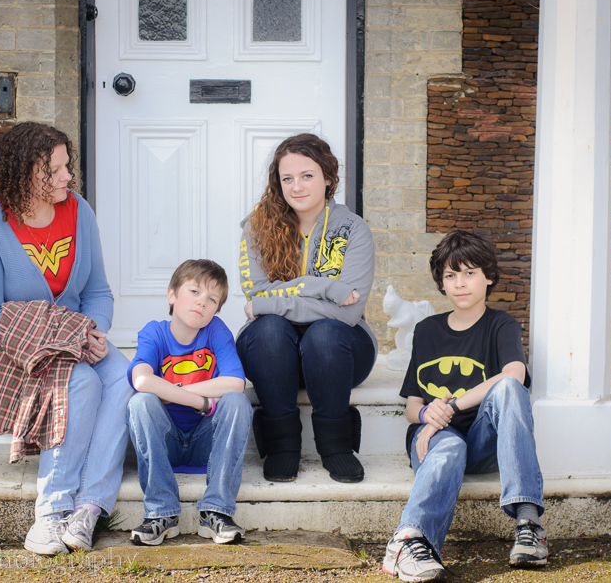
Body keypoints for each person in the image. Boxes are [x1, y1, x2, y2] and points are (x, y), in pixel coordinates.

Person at [0, 122, 134, 556]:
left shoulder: (79, 211)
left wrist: (93, 330)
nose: (66, 177)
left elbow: (98, 292)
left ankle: (89, 506)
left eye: (66, 166)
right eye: (54, 170)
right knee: (79, 382)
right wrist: (70, 338)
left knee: (123, 377)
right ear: (23, 173)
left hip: (75, 339)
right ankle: (51, 513)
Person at [382, 230, 547, 582]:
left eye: (470, 273)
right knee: (449, 447)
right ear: (441, 283)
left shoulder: (501, 325)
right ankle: (409, 541)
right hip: (435, 438)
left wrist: (451, 407)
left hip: (483, 439)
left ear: (489, 277)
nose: (460, 283)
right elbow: (412, 406)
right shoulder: (427, 330)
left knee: (509, 388)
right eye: (450, 275)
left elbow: (514, 375)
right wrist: (427, 414)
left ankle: (528, 524)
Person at [236, 133, 376, 484]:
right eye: (287, 178)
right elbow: (256, 293)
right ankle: (282, 445)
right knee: (270, 330)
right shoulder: (257, 228)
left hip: (340, 355)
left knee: (324, 334)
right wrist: (324, 288)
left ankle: (336, 446)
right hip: (271, 357)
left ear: (328, 177)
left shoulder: (354, 230)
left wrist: (273, 302)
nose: (296, 186)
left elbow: (348, 313)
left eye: (307, 175)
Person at [126, 259, 252, 546]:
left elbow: (235, 382)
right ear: (172, 294)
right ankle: (161, 514)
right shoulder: (154, 332)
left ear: (216, 309)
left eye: (212, 299)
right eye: (194, 291)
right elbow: (142, 380)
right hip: (165, 442)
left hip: (205, 443)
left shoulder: (216, 331)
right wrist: (202, 401)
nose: (202, 302)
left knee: (237, 402)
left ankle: (216, 512)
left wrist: (173, 390)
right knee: (141, 402)